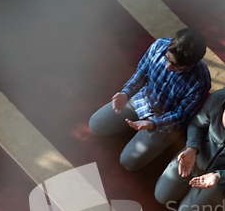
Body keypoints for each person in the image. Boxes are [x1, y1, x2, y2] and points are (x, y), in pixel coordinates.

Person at [89, 28, 211, 171]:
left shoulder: (200, 82)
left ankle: (155, 137)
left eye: (177, 67)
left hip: (163, 120)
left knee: (128, 162)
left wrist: (152, 124)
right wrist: (126, 93)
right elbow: (142, 72)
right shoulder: (159, 45)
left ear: (191, 64)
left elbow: (181, 116)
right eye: (168, 59)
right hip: (141, 99)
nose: (169, 67)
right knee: (95, 125)